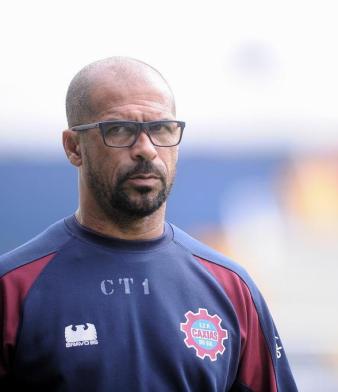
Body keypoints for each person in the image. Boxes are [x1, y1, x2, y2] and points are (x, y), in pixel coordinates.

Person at [0, 57, 297, 391]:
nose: (146, 149)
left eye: (161, 129)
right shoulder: (13, 288)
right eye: (120, 130)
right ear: (73, 147)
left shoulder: (231, 289)